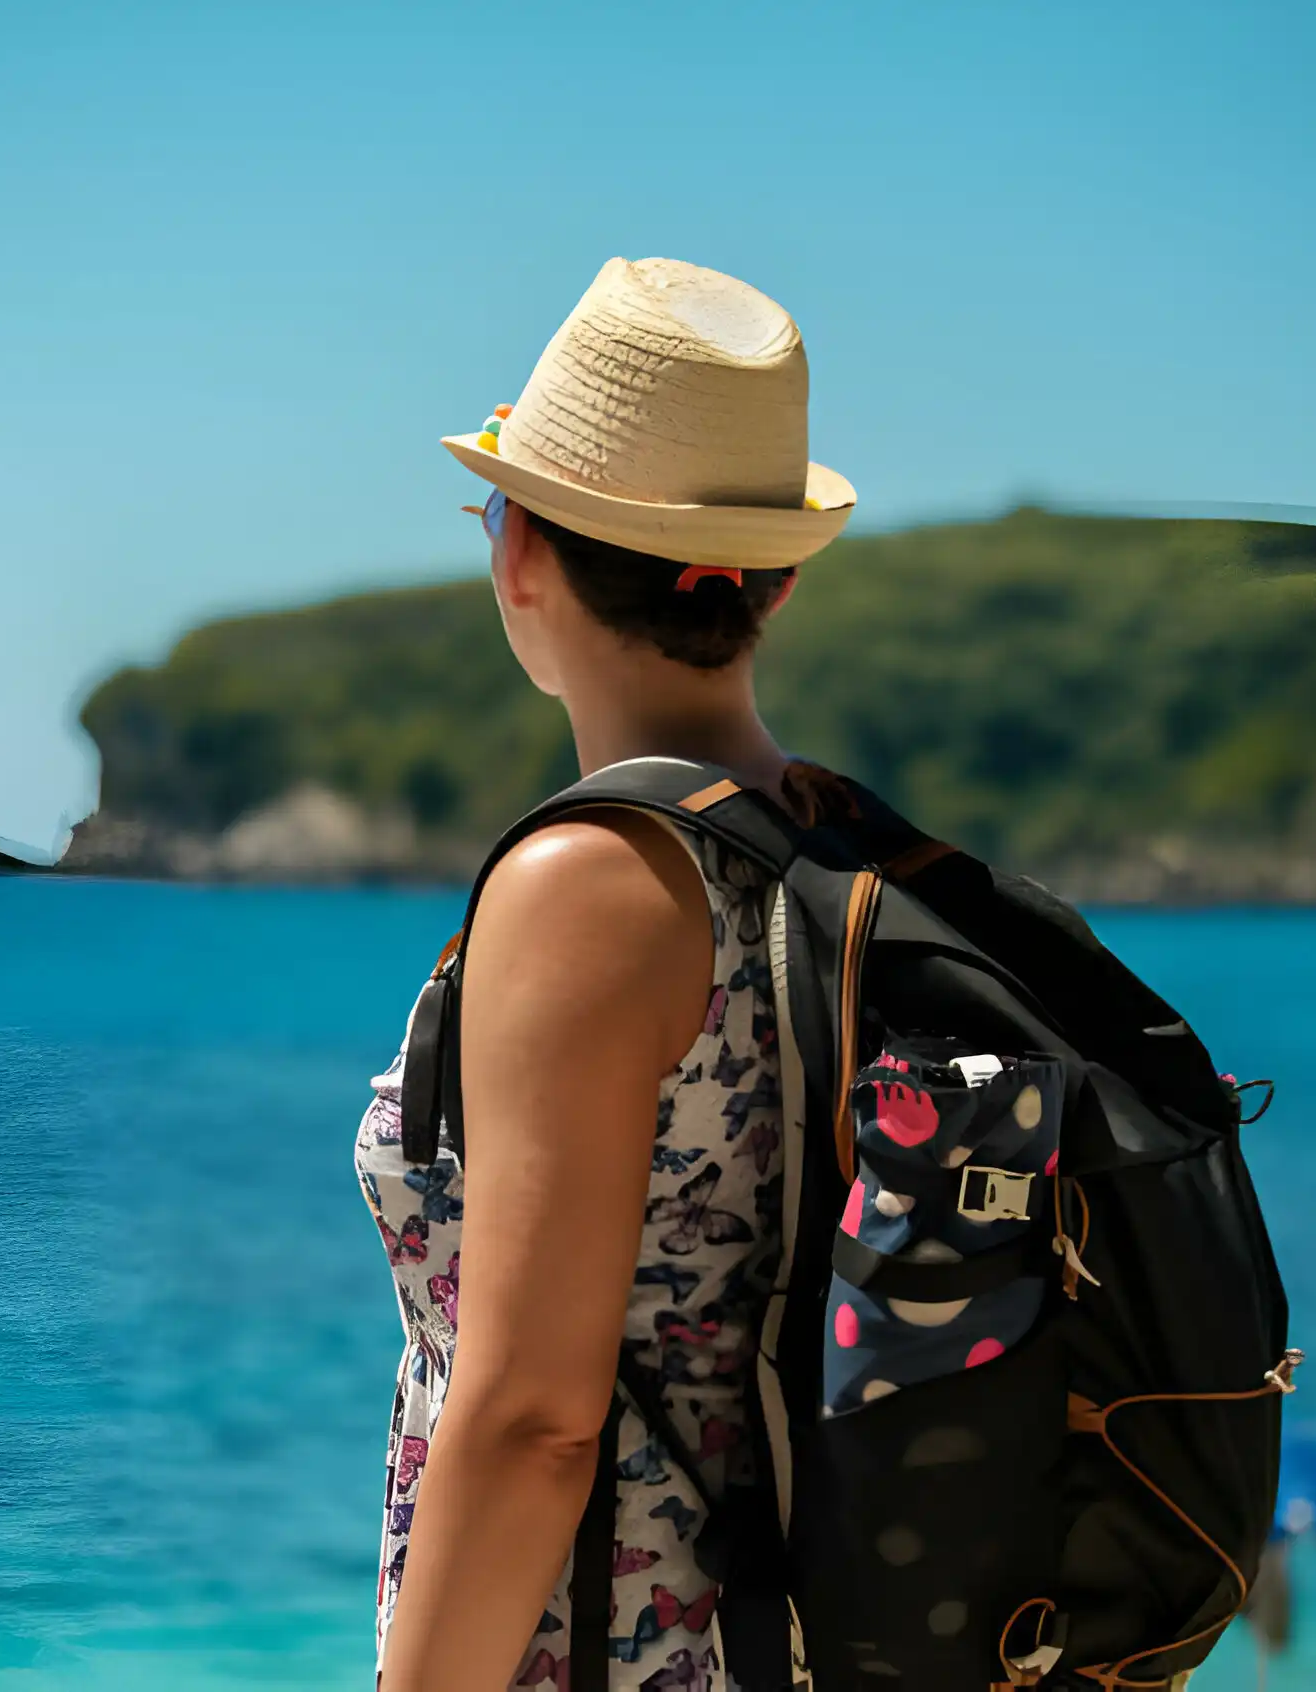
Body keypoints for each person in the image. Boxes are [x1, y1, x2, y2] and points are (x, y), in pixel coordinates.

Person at [356, 258, 860, 1692]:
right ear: (773, 586)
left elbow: (532, 1421)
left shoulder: (590, 883)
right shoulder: (843, 847)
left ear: (521, 553)